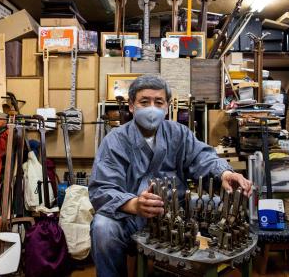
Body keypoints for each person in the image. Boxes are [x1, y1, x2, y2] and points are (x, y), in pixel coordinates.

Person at [89, 75, 252, 277]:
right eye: (144, 102)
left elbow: (202, 157)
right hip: (130, 216)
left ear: (167, 107)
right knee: (103, 228)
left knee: (222, 207)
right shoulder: (115, 140)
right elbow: (102, 188)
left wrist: (225, 172)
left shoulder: (179, 133)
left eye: (158, 102)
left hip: (177, 212)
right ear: (132, 106)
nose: (152, 108)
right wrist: (135, 204)